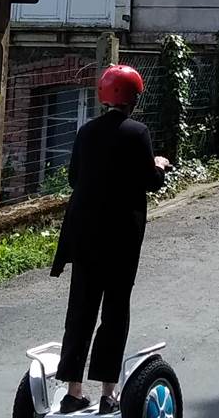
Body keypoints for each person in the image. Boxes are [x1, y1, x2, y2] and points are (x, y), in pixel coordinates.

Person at [51, 65, 171, 414]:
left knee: (81, 310)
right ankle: (108, 393)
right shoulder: (138, 133)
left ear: (104, 96)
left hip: (85, 233)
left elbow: (75, 178)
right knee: (115, 311)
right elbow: (150, 181)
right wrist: (159, 165)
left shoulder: (86, 132)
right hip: (121, 237)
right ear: (133, 98)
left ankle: (73, 391)